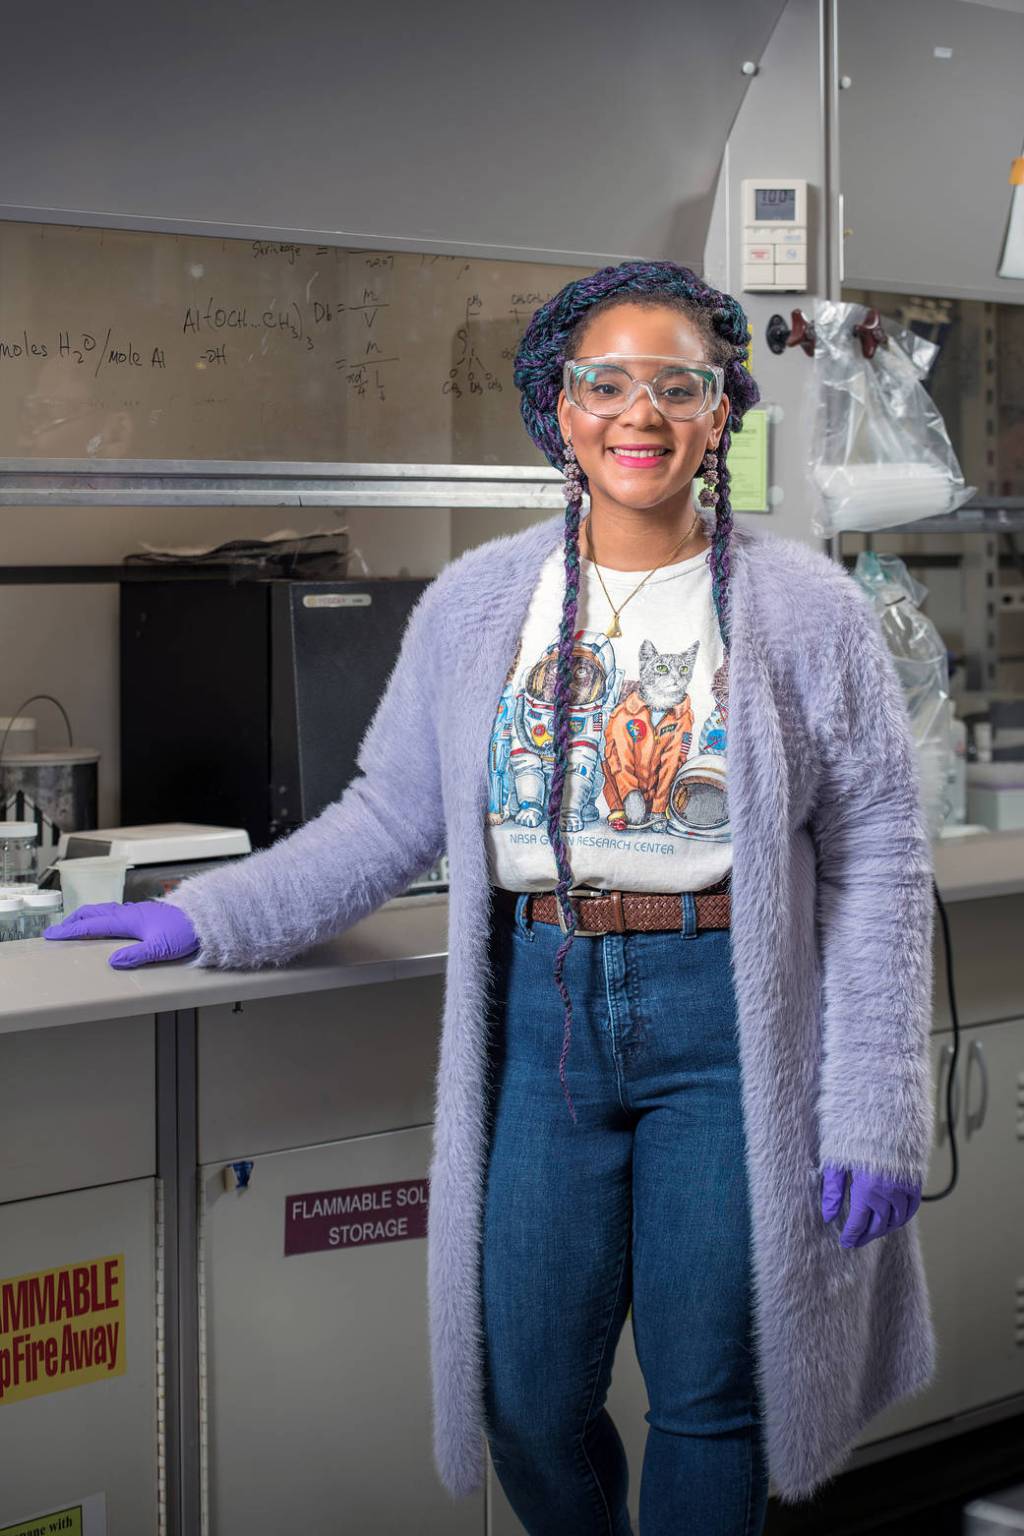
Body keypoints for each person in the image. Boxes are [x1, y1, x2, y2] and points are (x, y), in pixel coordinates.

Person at [46, 260, 937, 1535]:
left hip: (731, 1023)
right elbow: (389, 812)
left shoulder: (806, 610)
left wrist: (876, 1102)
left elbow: (878, 857)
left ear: (722, 410)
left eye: (678, 384)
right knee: (525, 1398)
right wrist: (212, 913)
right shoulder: (476, 603)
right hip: (543, 1018)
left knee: (710, 1397)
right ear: (556, 410)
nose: (642, 413)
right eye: (606, 384)